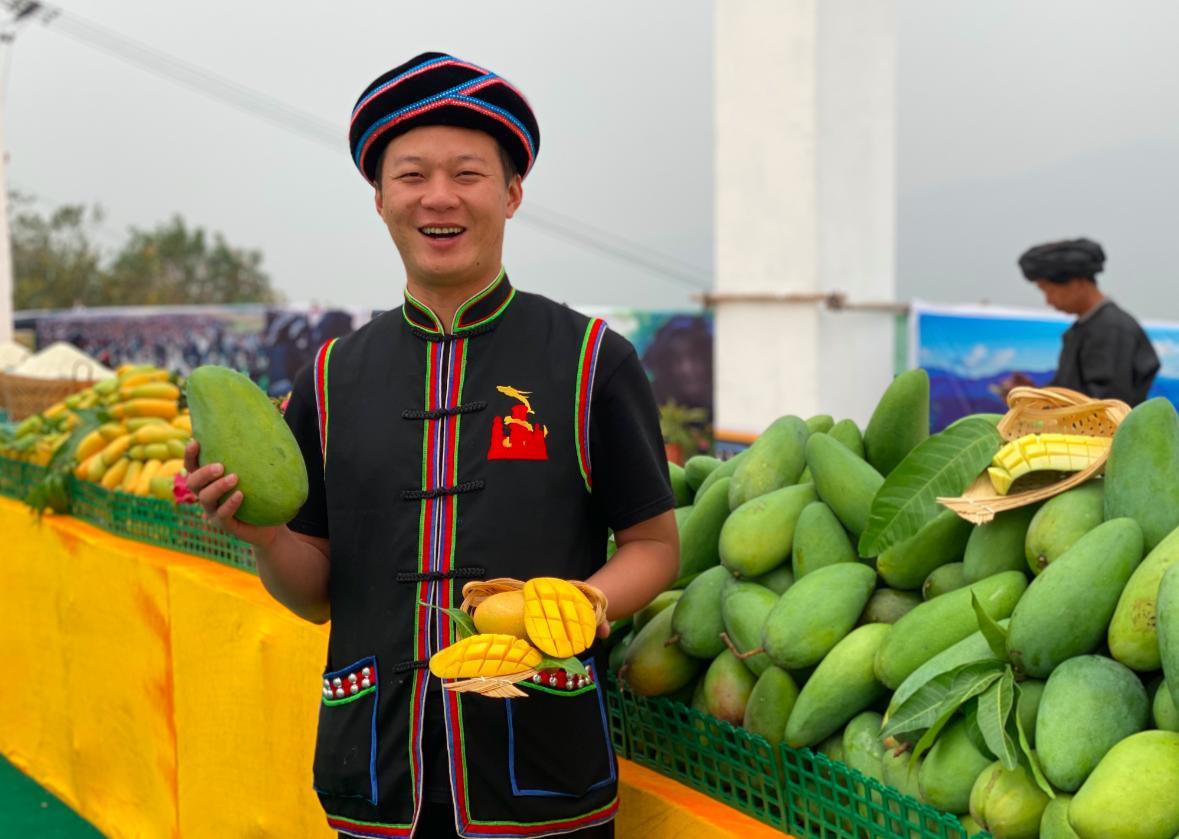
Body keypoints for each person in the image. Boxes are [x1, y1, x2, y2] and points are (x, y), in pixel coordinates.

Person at [184, 51, 679, 839]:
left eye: (468, 174)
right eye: (411, 175)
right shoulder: (330, 376)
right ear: (379, 198)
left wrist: (584, 604)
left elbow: (654, 544)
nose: (438, 197)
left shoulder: (590, 360)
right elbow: (313, 591)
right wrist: (261, 533)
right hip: (376, 775)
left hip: (542, 769)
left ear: (512, 193)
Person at [1018, 237, 1159, 405]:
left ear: (1076, 283)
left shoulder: (1110, 329)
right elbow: (1072, 391)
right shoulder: (1086, 326)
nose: (1048, 300)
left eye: (1048, 290)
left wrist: (1047, 404)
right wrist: (1034, 396)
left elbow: (1106, 404)